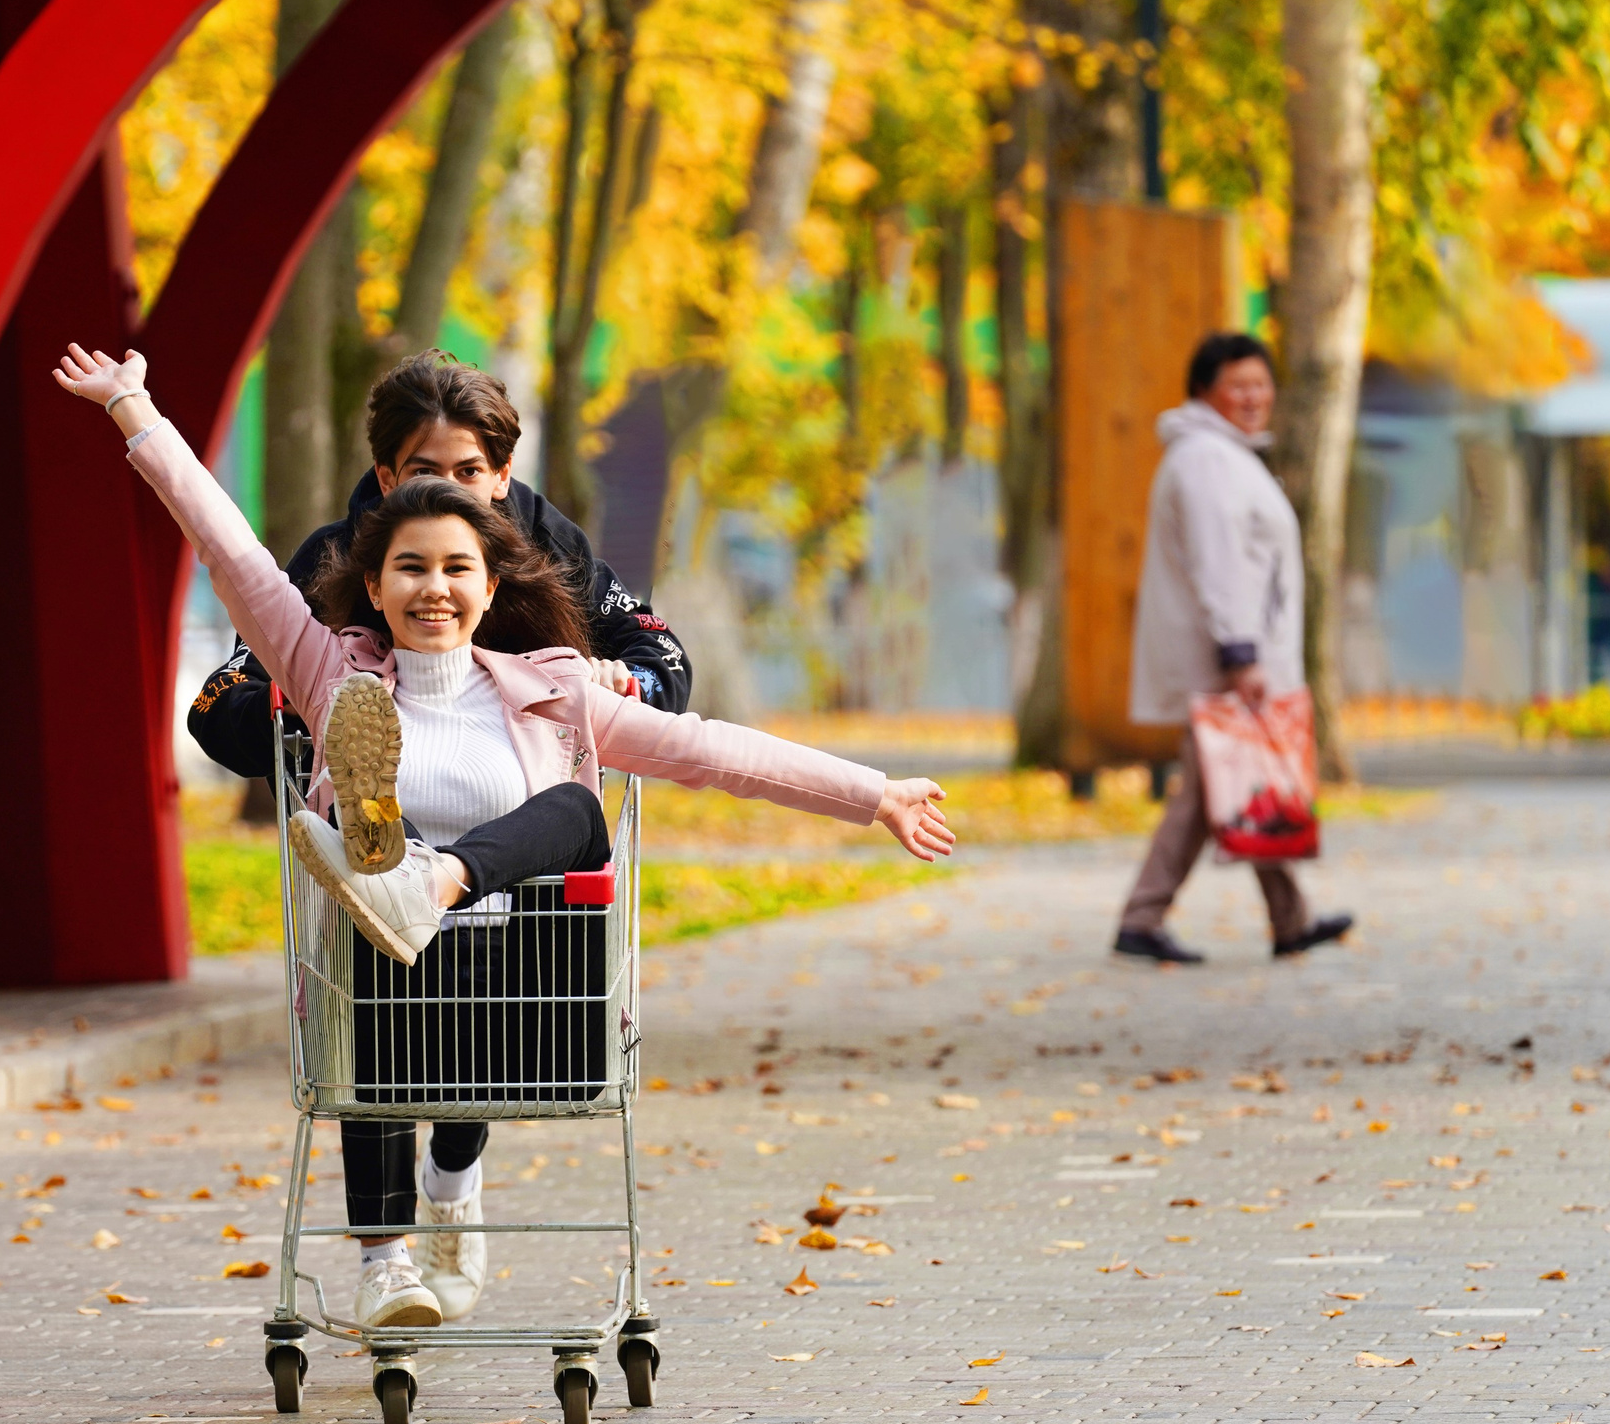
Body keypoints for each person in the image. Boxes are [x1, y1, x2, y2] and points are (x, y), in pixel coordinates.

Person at [54, 342, 957, 1330]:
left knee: (574, 813)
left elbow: (706, 751)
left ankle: (427, 904)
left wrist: (872, 794)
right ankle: (387, 1259)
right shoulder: (329, 674)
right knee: (370, 942)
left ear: (491, 586)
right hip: (385, 983)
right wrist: (135, 411)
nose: (431, 588)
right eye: (408, 568)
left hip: (523, 978)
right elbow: (226, 547)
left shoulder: (556, 692)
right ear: (375, 579)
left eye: (454, 568)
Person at [186, 351, 690, 785]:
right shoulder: (329, 559)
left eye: (468, 471)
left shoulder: (551, 548)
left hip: (526, 815)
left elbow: (662, 655)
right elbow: (218, 702)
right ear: (386, 479)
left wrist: (624, 684)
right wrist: (294, 701)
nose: (446, 491)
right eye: (424, 472)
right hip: (386, 823)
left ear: (501, 477)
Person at [1115, 333, 1353, 966]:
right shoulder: (1206, 461)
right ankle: (1143, 917)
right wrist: (1240, 653)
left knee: (1237, 784)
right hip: (1222, 659)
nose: (1253, 397)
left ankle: (1286, 918)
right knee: (1218, 788)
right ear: (1203, 391)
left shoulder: (1225, 455)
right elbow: (1219, 563)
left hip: (1230, 653)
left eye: (1261, 384)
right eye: (1237, 386)